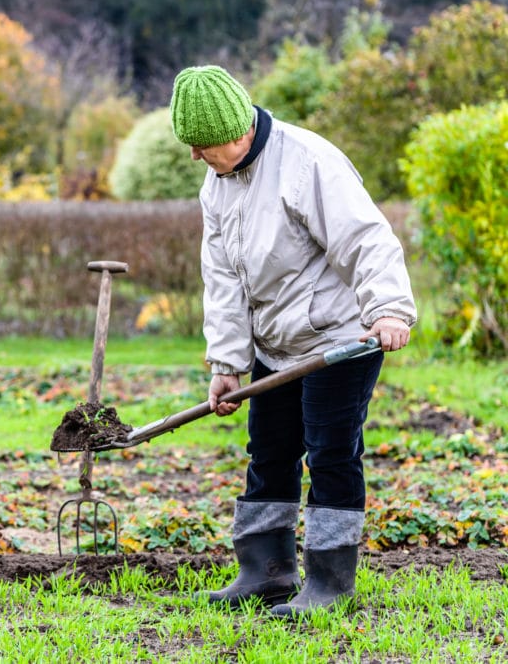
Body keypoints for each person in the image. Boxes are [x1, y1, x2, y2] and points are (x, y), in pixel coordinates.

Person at [169, 65, 416, 618]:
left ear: (237, 133)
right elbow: (224, 277)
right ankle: (266, 572)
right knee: (271, 451)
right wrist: (228, 362)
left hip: (340, 338)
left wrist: (389, 309)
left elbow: (365, 238)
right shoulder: (219, 184)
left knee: (330, 454)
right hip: (277, 344)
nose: (195, 158)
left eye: (202, 146)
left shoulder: (308, 162)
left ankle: (329, 583)